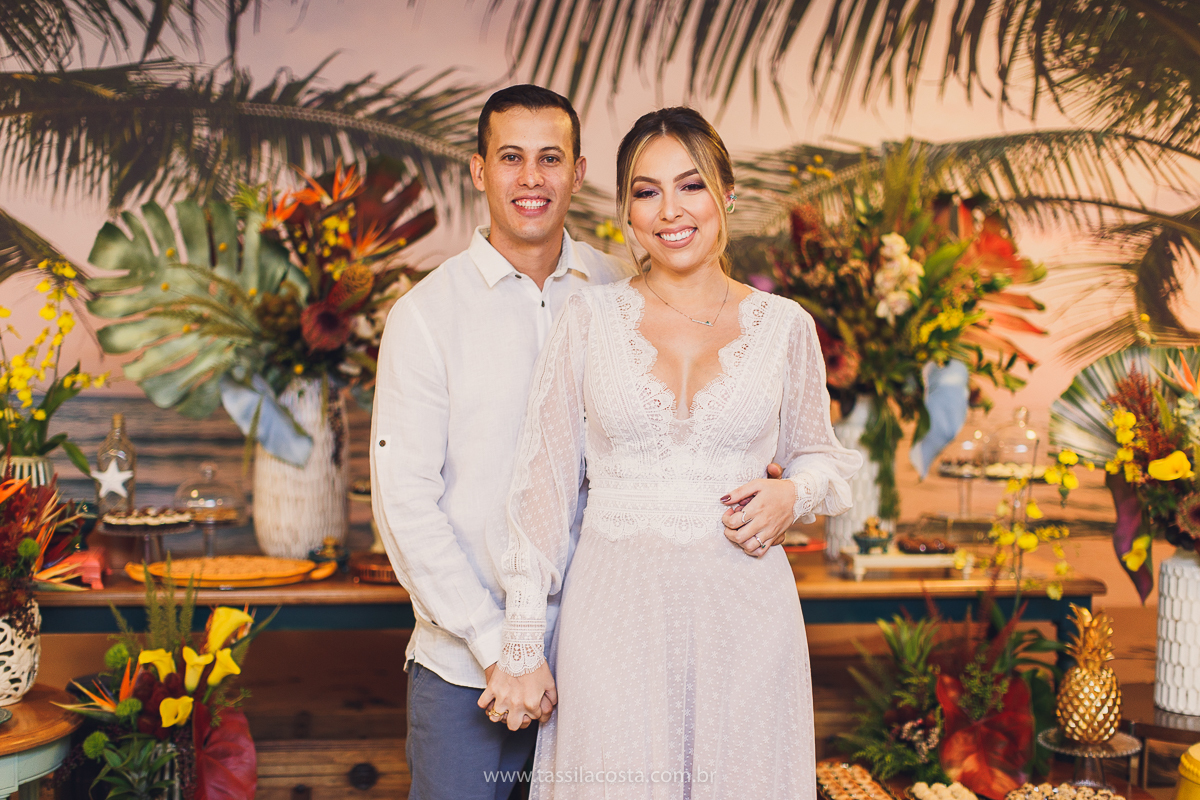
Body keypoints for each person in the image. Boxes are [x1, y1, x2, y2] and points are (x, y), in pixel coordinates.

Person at [480, 107, 863, 799]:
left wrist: (793, 494)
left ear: (726, 195)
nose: (669, 211)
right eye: (646, 191)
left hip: (746, 616)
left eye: (690, 186)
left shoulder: (785, 327)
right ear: (627, 211)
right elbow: (542, 490)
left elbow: (824, 460)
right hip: (614, 616)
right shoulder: (587, 319)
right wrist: (522, 644)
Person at [370, 85, 633, 800]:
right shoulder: (425, 316)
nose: (531, 177)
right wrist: (499, 649)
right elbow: (405, 505)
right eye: (511, 157)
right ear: (479, 170)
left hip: (599, 660)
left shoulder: (624, 292)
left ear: (578, 172)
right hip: (467, 671)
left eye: (551, 158)